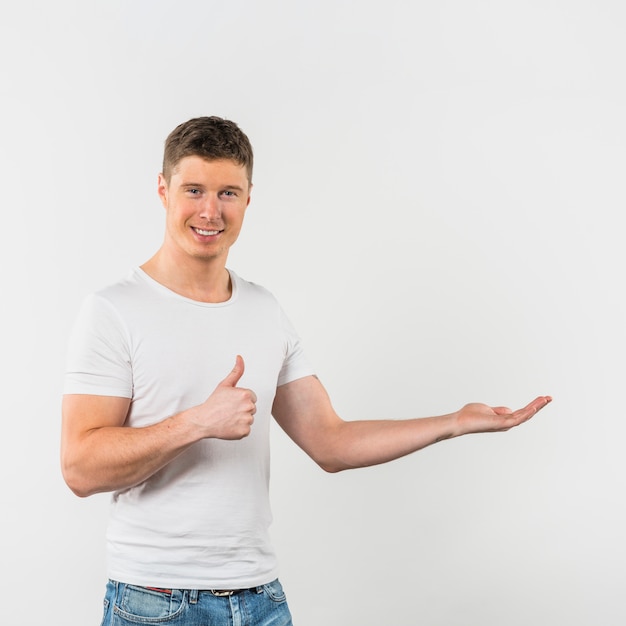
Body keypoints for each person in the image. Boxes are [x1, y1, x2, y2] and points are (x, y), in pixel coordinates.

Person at [61, 116, 551, 626]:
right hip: (155, 600)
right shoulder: (114, 309)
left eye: (228, 192)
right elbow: (79, 467)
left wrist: (452, 422)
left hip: (258, 598)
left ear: (249, 198)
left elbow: (330, 442)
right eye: (194, 190)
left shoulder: (263, 310)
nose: (210, 211)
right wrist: (197, 423)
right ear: (163, 190)